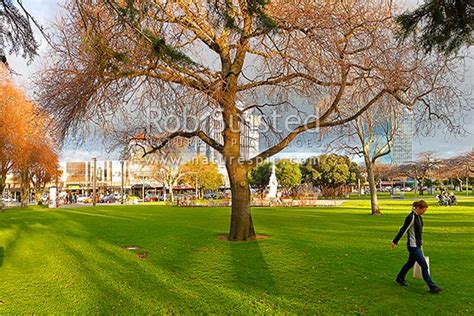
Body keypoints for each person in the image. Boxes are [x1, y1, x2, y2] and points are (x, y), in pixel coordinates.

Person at [390, 200, 442, 294]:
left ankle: (399, 278)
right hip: (413, 246)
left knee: (410, 263)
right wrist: (395, 241)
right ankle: (432, 287)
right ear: (418, 208)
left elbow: (418, 232)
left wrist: (420, 242)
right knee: (424, 265)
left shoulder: (419, 217)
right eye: (423, 210)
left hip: (417, 245)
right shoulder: (411, 217)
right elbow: (403, 229)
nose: (424, 212)